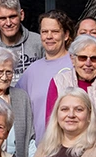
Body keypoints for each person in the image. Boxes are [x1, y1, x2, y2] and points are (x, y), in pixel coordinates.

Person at [16, 9, 75, 141]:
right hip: (40, 146)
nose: (49, 36)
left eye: (55, 32)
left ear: (66, 35)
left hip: (71, 144)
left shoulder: (75, 65)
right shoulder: (32, 70)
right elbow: (16, 102)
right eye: (44, 32)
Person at [45, 35, 96, 125]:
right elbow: (51, 123)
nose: (88, 63)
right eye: (82, 58)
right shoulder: (59, 82)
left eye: (94, 58)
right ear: (72, 59)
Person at [0, 47, 34, 157]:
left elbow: (30, 138)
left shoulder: (21, 97)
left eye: (9, 72)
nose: (4, 77)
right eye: (0, 72)